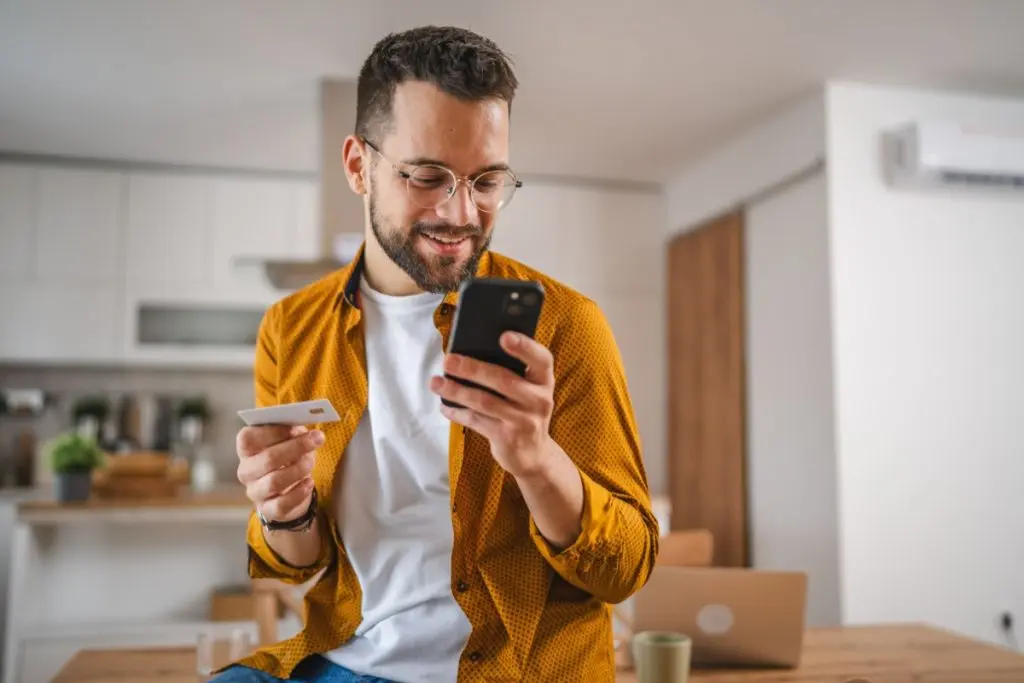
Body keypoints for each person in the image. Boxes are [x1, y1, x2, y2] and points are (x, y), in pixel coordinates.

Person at [212, 24, 659, 683]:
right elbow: (296, 560)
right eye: (428, 176)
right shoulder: (291, 326)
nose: (461, 213)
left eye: (487, 182)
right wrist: (285, 510)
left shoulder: (567, 324)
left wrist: (537, 462)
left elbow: (625, 569)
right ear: (358, 166)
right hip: (342, 661)